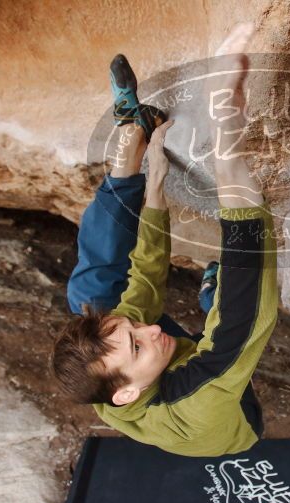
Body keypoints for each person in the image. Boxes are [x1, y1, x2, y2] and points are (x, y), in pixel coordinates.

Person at [52, 24, 277, 457]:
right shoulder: (197, 399)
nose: (150, 327)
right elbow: (246, 316)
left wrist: (154, 188)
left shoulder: (112, 371)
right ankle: (210, 300)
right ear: (126, 395)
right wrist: (225, 129)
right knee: (228, 317)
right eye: (137, 343)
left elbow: (146, 280)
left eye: (133, 329)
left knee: (88, 297)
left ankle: (129, 140)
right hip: (237, 417)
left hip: (159, 372)